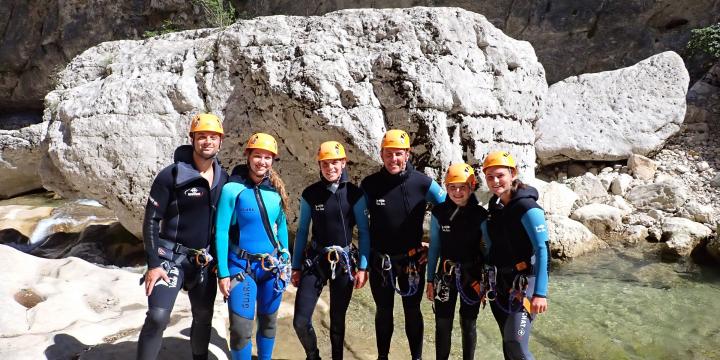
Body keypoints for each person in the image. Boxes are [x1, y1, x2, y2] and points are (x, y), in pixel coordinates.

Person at [137, 113, 228, 360]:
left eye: (213, 137)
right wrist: (153, 264)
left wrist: (225, 267)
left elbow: (226, 227)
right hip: (170, 258)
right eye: (202, 137)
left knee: (203, 317)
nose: (207, 142)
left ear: (220, 142)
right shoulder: (171, 175)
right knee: (157, 317)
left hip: (203, 261)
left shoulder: (224, 180)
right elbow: (151, 220)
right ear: (192, 139)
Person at [361, 129, 446, 360]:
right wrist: (362, 262)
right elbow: (353, 217)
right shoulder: (370, 185)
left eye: (398, 154)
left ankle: (416, 358)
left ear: (407, 154)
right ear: (381, 155)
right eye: (389, 154)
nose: (393, 159)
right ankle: (382, 357)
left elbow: (451, 212)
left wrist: (432, 247)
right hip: (381, 262)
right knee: (384, 312)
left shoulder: (423, 183)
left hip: (411, 261)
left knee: (412, 311)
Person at [214, 132, 291, 360]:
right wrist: (223, 272)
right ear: (248, 156)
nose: (262, 162)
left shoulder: (275, 191)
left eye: (268, 157)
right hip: (241, 267)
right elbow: (221, 231)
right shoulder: (232, 189)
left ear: (273, 160)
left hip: (271, 267)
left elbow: (282, 226)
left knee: (268, 323)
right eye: (258, 156)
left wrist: (286, 255)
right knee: (240, 330)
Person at [291, 141, 371, 360]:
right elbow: (302, 231)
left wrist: (363, 267)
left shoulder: (355, 194)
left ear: (344, 163)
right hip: (316, 259)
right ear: (319, 165)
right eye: (325, 163)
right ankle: (313, 355)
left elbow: (364, 232)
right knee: (300, 321)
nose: (330, 167)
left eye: (335, 162)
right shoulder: (311, 194)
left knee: (337, 319)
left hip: (344, 261)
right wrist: (296, 266)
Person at [480, 151, 549, 360]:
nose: (495, 181)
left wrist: (540, 293)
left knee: (516, 344)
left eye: (500, 175)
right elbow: (492, 248)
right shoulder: (496, 206)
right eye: (490, 177)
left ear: (513, 174)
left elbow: (542, 249)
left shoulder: (527, 207)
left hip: (524, 284)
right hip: (500, 283)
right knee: (508, 344)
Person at [425, 163, 488, 360]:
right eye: (452, 187)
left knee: (468, 324)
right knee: (442, 324)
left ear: (471, 187)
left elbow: (489, 250)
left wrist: (488, 281)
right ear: (446, 187)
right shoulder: (439, 213)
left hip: (473, 276)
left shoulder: (480, 215)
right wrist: (429, 280)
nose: (457, 192)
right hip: (445, 275)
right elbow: (434, 247)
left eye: (462, 187)